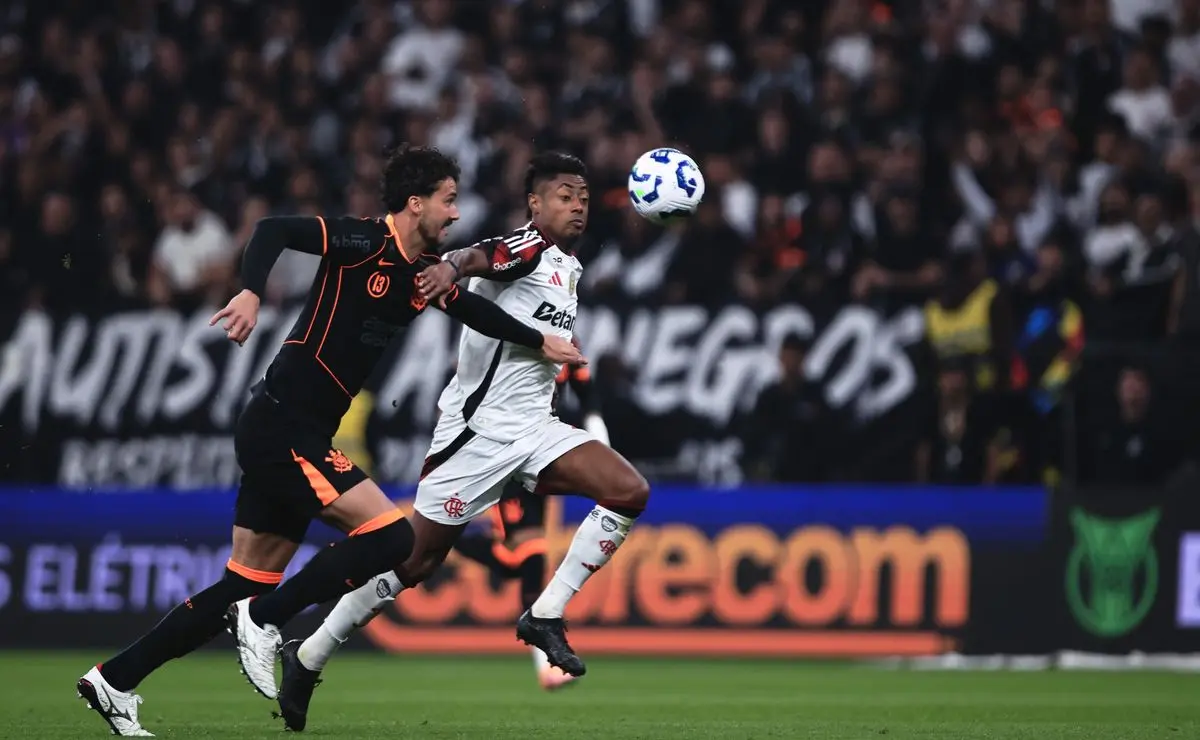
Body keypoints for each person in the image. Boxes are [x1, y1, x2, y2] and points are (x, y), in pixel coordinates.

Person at [76, 145, 583, 737]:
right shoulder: (361, 241)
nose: (455, 213)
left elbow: (474, 309)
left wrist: (539, 342)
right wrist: (250, 291)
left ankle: (115, 680)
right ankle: (265, 620)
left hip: (292, 428)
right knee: (392, 537)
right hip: (283, 425)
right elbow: (272, 230)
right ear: (415, 203)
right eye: (448, 201)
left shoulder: (422, 273)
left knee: (241, 584)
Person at [231, 152, 650, 730]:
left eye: (582, 196)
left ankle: (545, 615)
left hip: (536, 430)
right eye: (563, 195)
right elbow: (480, 256)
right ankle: (310, 654)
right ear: (535, 204)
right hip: (477, 437)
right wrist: (451, 267)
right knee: (412, 560)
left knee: (628, 491)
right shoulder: (526, 245)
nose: (577, 205)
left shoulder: (566, 266)